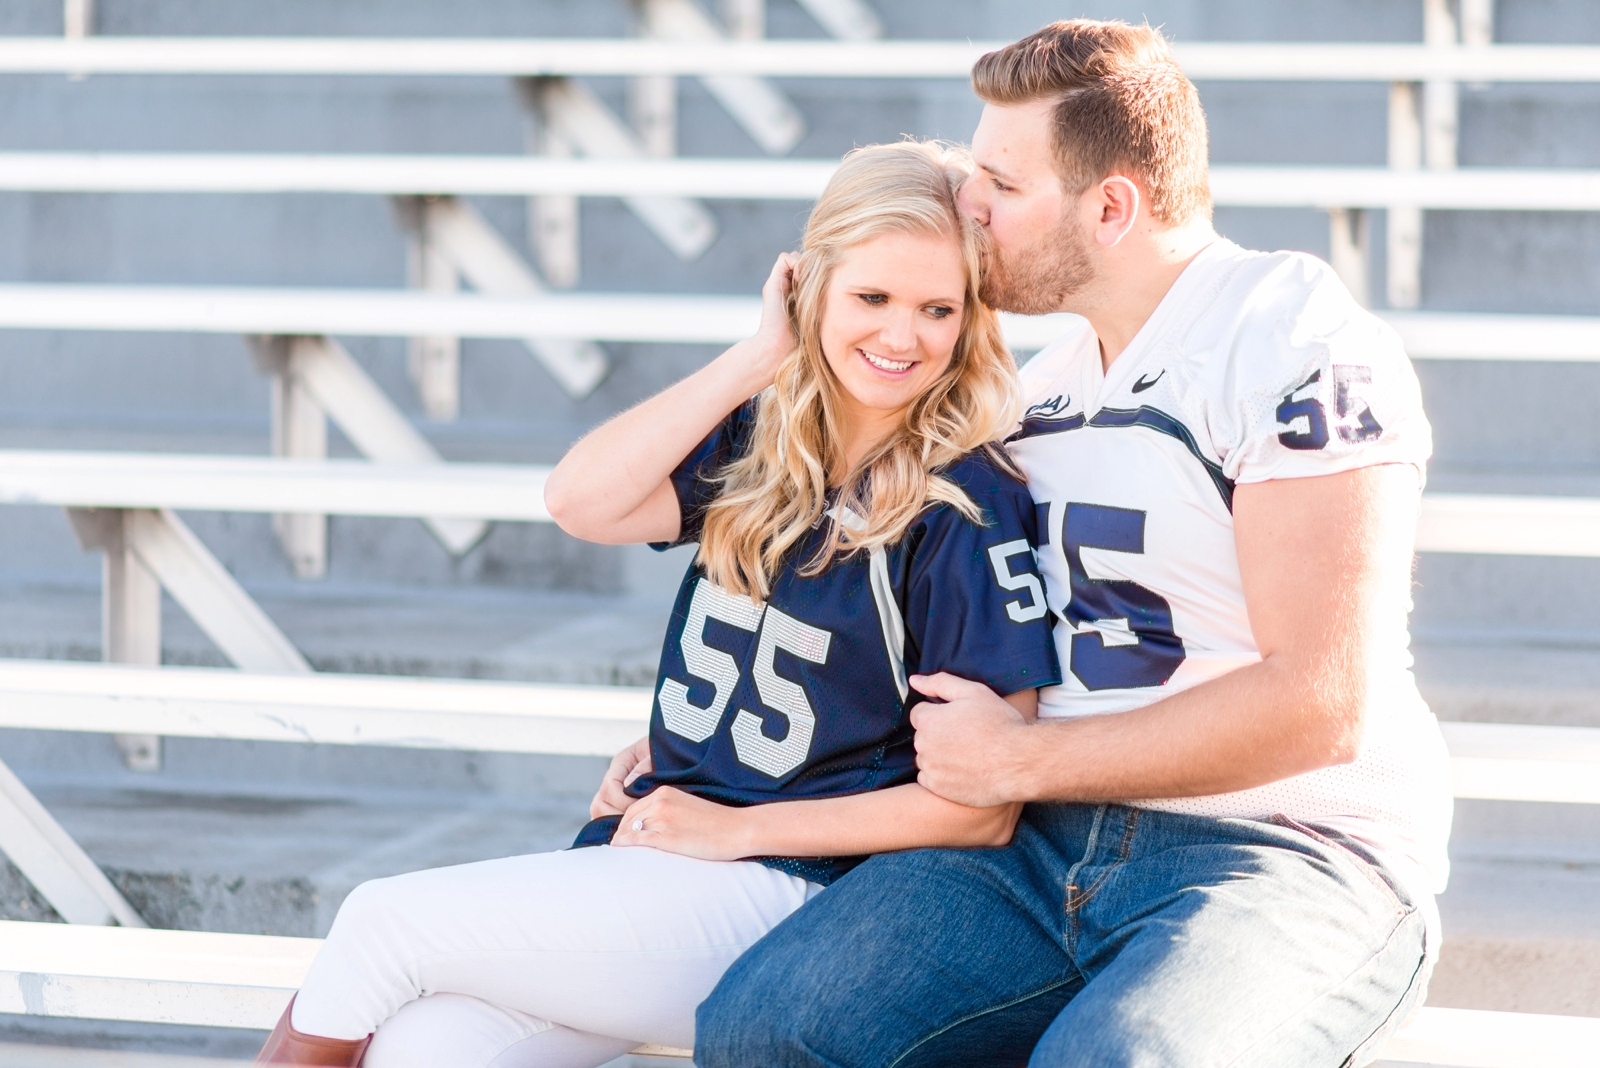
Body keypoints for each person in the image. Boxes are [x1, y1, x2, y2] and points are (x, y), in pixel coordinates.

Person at [696, 19, 1454, 1068]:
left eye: (1001, 185)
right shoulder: (1041, 388)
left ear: (1110, 206)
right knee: (763, 1026)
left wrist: (1024, 758)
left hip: (1289, 850)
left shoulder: (1291, 341)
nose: (969, 207)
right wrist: (701, 747)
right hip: (1045, 839)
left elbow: (1321, 703)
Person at [251, 140, 1061, 1067]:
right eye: (870, 297)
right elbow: (577, 501)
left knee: (381, 925)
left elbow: (979, 809)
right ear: (811, 288)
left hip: (795, 894)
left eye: (937, 308)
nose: (901, 335)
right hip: (655, 863)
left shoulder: (964, 502)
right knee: (428, 1049)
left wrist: (733, 827)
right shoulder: (766, 443)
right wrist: (762, 353)